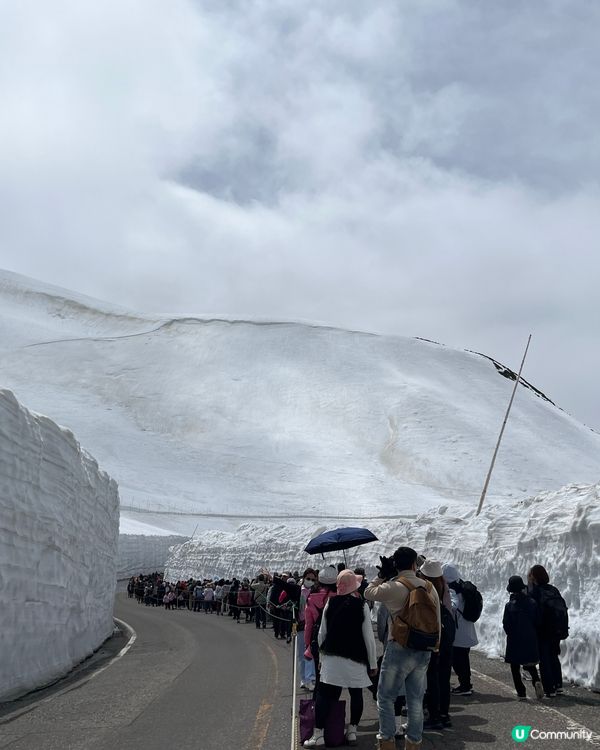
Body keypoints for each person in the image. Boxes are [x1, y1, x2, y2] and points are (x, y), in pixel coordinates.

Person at [365, 546, 440, 750]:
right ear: (415, 564)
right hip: (424, 647)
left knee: (386, 697)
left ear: (395, 564)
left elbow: (368, 592)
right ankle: (413, 743)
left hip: (399, 647)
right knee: (415, 699)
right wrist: (434, 645)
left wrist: (381, 575)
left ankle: (387, 741)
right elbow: (437, 618)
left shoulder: (394, 586)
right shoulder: (429, 587)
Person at [303, 569, 377, 748]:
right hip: (356, 658)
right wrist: (372, 662)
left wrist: (321, 658)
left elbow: (322, 633)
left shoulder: (331, 603)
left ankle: (319, 734)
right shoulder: (362, 605)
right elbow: (368, 637)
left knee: (325, 694)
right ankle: (352, 732)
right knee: (356, 693)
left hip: (332, 657)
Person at [420, 559, 455, 729]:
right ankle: (444, 714)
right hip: (447, 635)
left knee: (432, 677)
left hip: (433, 636)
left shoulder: (426, 589)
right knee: (444, 677)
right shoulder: (444, 586)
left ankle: (434, 716)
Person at [527, 565, 568, 697]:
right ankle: (558, 685)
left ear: (534, 577)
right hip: (556, 630)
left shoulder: (535, 591)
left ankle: (549, 689)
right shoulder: (553, 589)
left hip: (543, 630)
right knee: (554, 657)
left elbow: (532, 610)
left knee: (544, 659)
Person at [502, 575, 544, 700]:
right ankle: (536, 680)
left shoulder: (509, 606)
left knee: (515, 666)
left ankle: (521, 692)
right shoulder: (532, 602)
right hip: (530, 637)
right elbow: (538, 621)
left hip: (515, 639)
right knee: (530, 663)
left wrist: (511, 634)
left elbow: (506, 624)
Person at [442, 564, 478, 696]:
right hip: (466, 630)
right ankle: (466, 684)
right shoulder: (462, 585)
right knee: (463, 659)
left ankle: (465, 686)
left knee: (458, 661)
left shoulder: (452, 590)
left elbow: (453, 605)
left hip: (458, 634)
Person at [304, 565, 338, 688]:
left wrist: (308, 644)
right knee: (334, 681)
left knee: (320, 679)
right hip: (337, 641)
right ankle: (333, 706)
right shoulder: (341, 596)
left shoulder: (312, 597)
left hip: (318, 642)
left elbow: (309, 625)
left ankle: (318, 704)